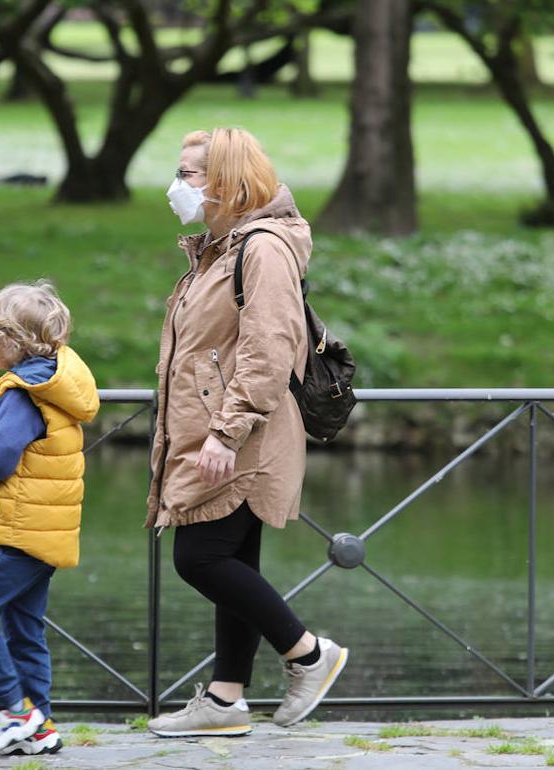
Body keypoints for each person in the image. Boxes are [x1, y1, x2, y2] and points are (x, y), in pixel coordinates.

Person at [146, 128, 348, 737]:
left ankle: (309, 654)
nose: (175, 187)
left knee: (200, 557)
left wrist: (225, 434)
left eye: (187, 175)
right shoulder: (221, 245)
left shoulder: (260, 248)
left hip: (242, 435)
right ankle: (226, 700)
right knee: (232, 559)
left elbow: (268, 350)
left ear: (228, 184)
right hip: (222, 428)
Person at [0, 281, 100, 755]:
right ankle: (40, 727)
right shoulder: (51, 381)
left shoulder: (20, 393)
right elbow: (27, 441)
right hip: (44, 532)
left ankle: (13, 710)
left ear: (10, 342)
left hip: (17, 531)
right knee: (24, 629)